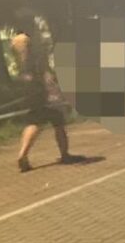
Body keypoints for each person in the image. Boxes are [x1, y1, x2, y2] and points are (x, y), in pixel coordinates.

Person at [11, 33, 82, 172]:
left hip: (30, 94)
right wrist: (52, 89)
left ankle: (23, 153)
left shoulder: (21, 61)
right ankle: (65, 154)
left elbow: (24, 79)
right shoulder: (35, 56)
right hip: (44, 94)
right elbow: (44, 74)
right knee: (58, 122)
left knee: (34, 122)